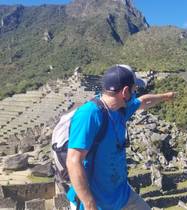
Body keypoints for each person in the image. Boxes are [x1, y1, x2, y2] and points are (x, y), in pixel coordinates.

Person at [66, 64, 176, 210]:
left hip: (122, 195)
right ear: (125, 91)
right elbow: (73, 161)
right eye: (134, 89)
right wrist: (88, 203)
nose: (135, 93)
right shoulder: (89, 114)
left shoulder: (121, 109)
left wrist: (164, 97)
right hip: (96, 203)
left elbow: (144, 101)